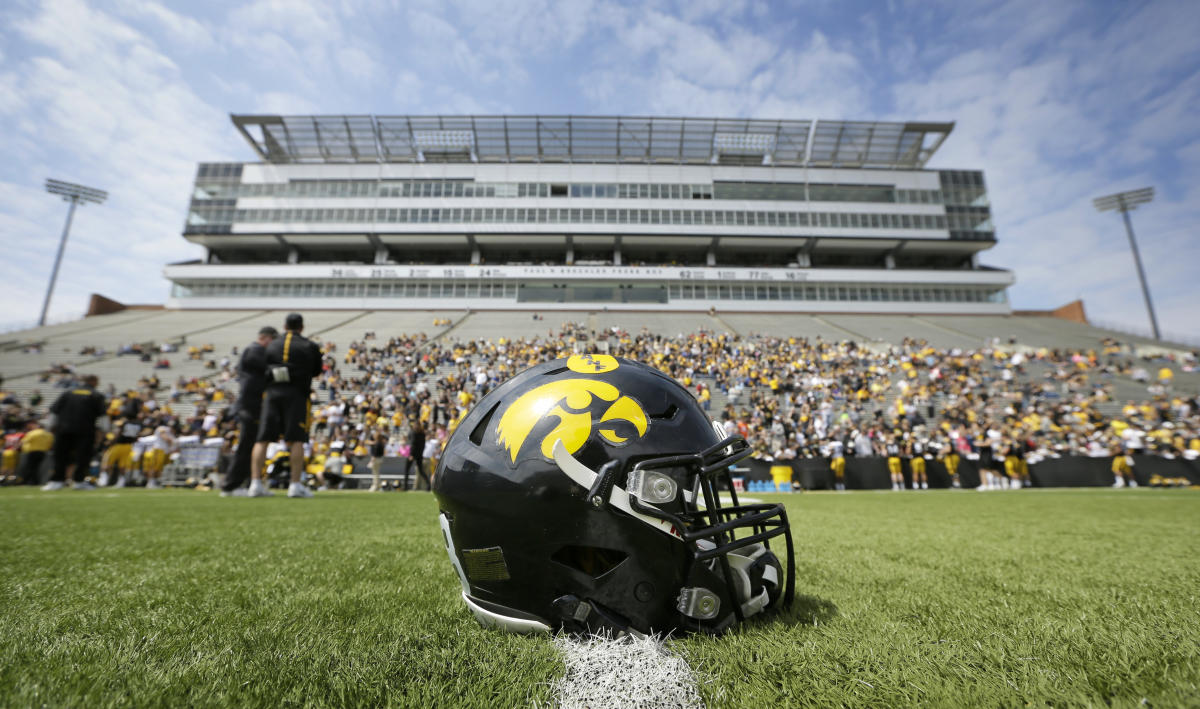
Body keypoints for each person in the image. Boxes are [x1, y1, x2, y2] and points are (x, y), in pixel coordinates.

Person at [252, 314, 323, 499]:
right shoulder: (309, 345)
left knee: (263, 439)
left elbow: (262, 366)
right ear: (302, 327)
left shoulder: (272, 344)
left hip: (272, 393)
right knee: (297, 439)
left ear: (284, 326)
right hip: (297, 395)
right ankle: (295, 485)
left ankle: (255, 483)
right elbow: (316, 370)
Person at [221, 326, 277, 497]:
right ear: (266, 338)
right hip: (249, 405)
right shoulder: (255, 350)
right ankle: (231, 485)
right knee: (246, 445)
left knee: (251, 445)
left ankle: (241, 483)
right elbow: (269, 370)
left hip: (251, 404)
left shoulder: (254, 351)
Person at [43, 374, 107, 491]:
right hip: (85, 431)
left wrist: (50, 427)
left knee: (60, 456)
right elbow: (103, 417)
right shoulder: (96, 395)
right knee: (83, 457)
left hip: (63, 430)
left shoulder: (68, 392)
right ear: (93, 381)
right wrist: (103, 433)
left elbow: (54, 411)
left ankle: (56, 481)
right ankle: (78, 481)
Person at [18, 421, 53, 485]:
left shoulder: (32, 433)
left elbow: (23, 442)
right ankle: (36, 481)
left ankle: (29, 481)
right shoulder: (49, 434)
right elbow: (50, 445)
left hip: (32, 452)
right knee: (38, 468)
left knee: (30, 467)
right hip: (43, 452)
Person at [408, 422, 429, 491]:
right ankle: (428, 485)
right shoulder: (422, 434)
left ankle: (409, 487)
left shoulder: (415, 433)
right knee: (421, 471)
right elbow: (422, 445)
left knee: (413, 471)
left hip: (415, 454)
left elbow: (413, 445)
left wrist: (411, 454)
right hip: (420, 455)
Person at [367, 426, 385, 492]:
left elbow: (375, 454)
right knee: (376, 473)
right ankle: (377, 485)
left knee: (375, 473)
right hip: (380, 459)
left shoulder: (377, 444)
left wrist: (372, 460)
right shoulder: (381, 443)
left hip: (376, 459)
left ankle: (375, 486)